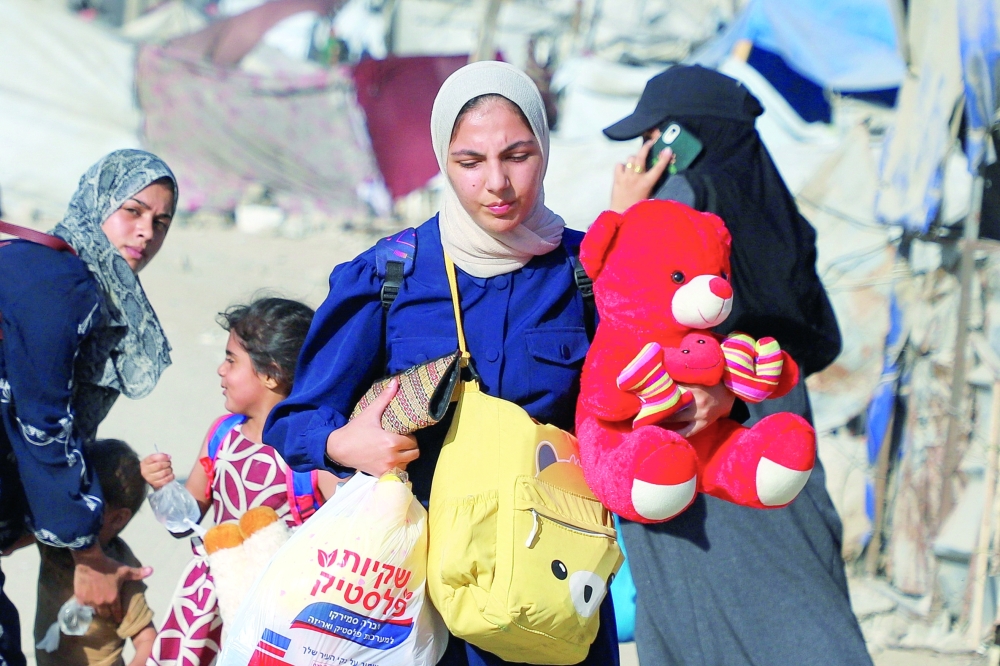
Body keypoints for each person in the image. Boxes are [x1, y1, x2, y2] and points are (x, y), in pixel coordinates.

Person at [263, 60, 734, 666]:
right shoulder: (390, 274)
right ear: (442, 160)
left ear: (544, 149)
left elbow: (654, 381)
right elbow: (297, 415)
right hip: (421, 596)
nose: (497, 184)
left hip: (554, 588)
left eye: (517, 155)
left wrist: (711, 402)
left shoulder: (590, 270)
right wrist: (343, 444)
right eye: (470, 162)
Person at [602, 64, 871, 666]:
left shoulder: (683, 203)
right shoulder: (765, 204)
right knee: (796, 589)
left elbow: (629, 309)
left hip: (702, 425)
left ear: (680, 137)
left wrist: (624, 216)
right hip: (771, 412)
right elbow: (813, 334)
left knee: (702, 610)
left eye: (653, 137)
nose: (643, 152)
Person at [0, 149, 176, 666]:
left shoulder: (42, 266)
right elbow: (41, 425)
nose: (146, 232)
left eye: (160, 222)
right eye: (133, 211)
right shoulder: (62, 286)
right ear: (95, 204)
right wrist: (86, 552)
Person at [141, 296, 339, 666]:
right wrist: (163, 488)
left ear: (271, 374)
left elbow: (345, 528)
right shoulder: (222, 435)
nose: (221, 369)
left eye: (232, 360)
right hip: (209, 599)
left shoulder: (310, 450)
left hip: (280, 609)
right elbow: (187, 520)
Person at [33, 439, 156, 666]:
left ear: (118, 517)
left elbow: (147, 638)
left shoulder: (122, 571)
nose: (73, 513)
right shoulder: (58, 540)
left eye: (86, 508)